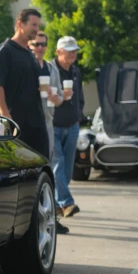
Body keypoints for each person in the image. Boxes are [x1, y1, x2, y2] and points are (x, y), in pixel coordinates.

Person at [0, 8, 49, 158]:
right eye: (33, 25)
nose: (36, 29)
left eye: (38, 26)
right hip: (8, 122)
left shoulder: (30, 54)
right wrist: (6, 118)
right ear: (20, 24)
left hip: (35, 123)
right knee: (5, 168)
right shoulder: (3, 51)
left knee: (41, 166)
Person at [29, 32, 68, 234]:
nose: (40, 47)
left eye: (43, 44)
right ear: (30, 44)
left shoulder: (52, 69)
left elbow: (60, 99)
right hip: (28, 123)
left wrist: (54, 96)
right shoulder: (27, 65)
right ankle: (32, 217)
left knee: (49, 168)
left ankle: (50, 215)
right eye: (36, 44)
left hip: (47, 123)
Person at [50, 36, 84, 219]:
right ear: (58, 51)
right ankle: (67, 203)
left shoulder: (76, 72)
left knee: (67, 170)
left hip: (72, 125)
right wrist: (60, 96)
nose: (73, 53)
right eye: (69, 49)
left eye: (75, 50)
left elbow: (80, 98)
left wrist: (79, 118)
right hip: (53, 125)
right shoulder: (49, 70)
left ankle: (56, 204)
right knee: (57, 165)